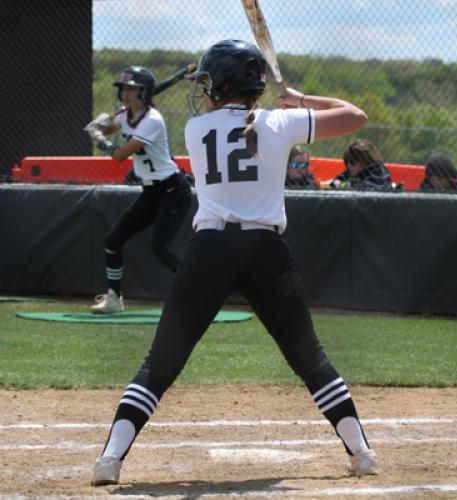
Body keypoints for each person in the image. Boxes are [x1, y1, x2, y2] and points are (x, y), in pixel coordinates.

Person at [91, 40, 377, 486]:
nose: (202, 90)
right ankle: (362, 453)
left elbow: (238, 125)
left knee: (160, 364)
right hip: (267, 252)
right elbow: (355, 116)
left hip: (210, 250)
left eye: (207, 82)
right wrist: (300, 101)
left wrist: (280, 112)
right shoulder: (279, 122)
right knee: (310, 359)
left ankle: (109, 460)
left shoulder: (195, 127)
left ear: (224, 83)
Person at [85, 66, 192, 313]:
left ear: (144, 92)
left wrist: (98, 138)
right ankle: (114, 298)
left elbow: (120, 154)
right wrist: (102, 122)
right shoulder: (126, 115)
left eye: (132, 88)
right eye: (123, 88)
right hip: (151, 192)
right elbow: (113, 126)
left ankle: (199, 291)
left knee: (160, 247)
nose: (125, 93)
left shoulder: (152, 120)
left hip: (172, 190)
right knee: (113, 240)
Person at [322, 138, 393, 191]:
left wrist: (344, 185)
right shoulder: (354, 169)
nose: (349, 165)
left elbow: (373, 188)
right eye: (347, 162)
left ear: (364, 161)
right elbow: (339, 179)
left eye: (352, 162)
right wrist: (336, 183)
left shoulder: (378, 171)